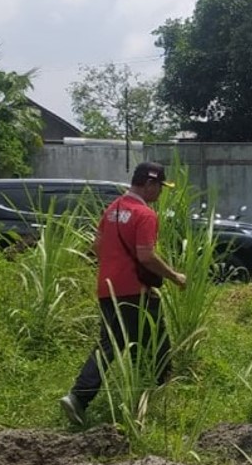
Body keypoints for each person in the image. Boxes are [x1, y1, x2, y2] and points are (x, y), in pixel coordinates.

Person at [60, 161, 187, 425]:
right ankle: (161, 404)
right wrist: (174, 276)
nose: (160, 193)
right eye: (160, 187)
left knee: (115, 343)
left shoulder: (111, 210)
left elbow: (97, 246)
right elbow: (146, 255)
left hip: (107, 289)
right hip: (135, 292)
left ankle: (93, 397)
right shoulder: (145, 215)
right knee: (158, 344)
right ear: (149, 184)